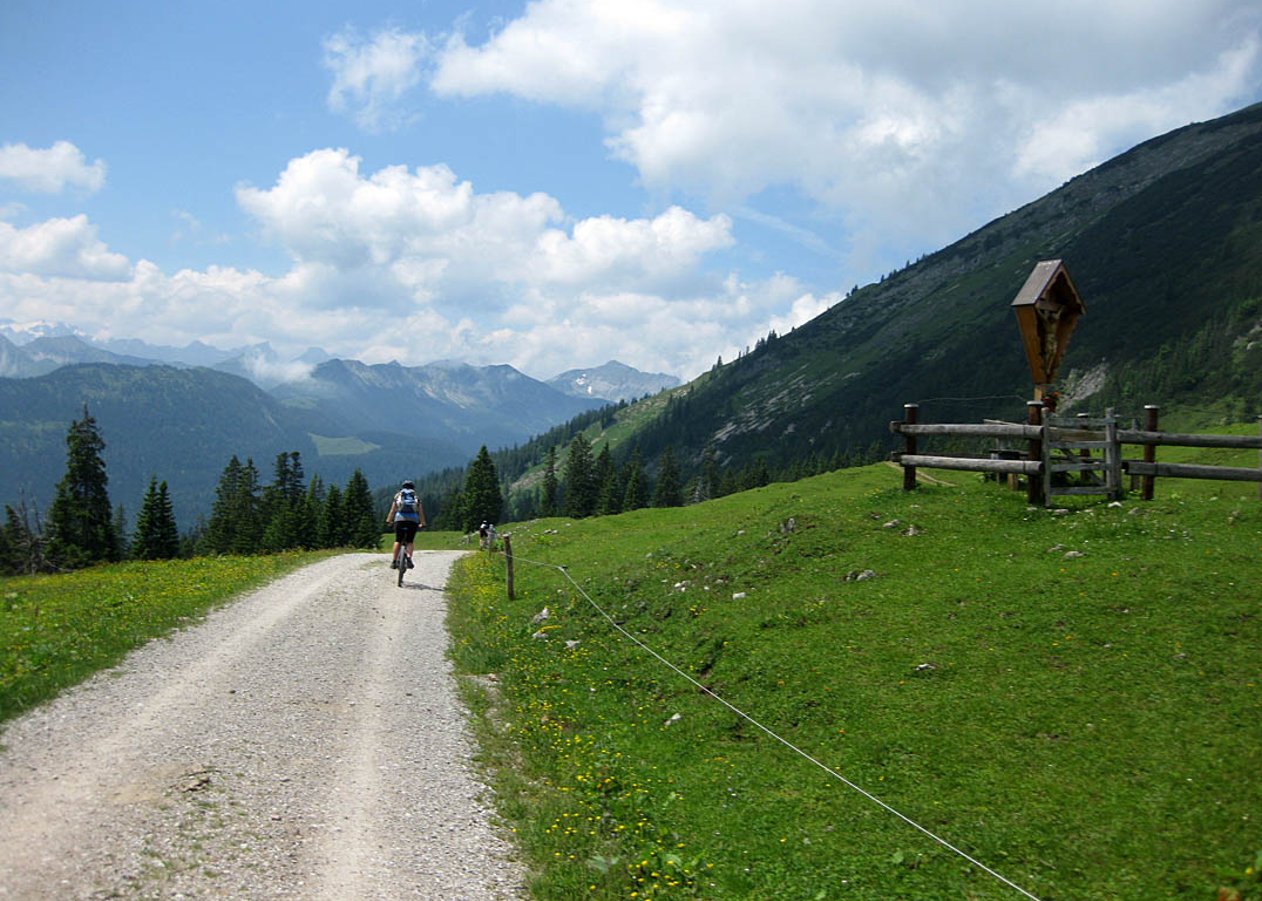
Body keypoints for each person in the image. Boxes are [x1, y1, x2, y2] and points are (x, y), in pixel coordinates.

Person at [386, 480, 426, 569]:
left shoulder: (398, 496)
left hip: (399, 519)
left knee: (398, 540)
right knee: (410, 541)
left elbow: (392, 510)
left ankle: (394, 561)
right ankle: (409, 558)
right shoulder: (416, 497)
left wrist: (389, 521)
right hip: (412, 520)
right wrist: (422, 523)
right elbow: (420, 512)